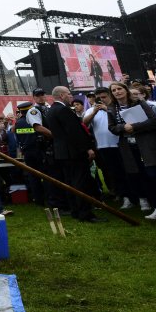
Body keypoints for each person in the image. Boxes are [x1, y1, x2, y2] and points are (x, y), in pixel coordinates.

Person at [107, 81, 156, 220]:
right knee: (143, 178)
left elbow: (154, 121)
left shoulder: (138, 103)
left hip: (147, 144)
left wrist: (134, 127)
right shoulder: (112, 108)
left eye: (119, 88)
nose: (117, 92)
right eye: (114, 90)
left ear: (125, 90)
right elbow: (112, 128)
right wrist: (123, 128)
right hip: (129, 147)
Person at [47, 86, 104, 222]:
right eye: (69, 94)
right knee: (80, 183)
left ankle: (75, 211)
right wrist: (87, 148)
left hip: (62, 153)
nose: (71, 96)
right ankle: (85, 214)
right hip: (74, 152)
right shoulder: (63, 110)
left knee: (70, 183)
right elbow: (75, 132)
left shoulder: (52, 110)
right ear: (61, 95)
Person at [84, 87, 133, 208]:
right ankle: (124, 196)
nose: (101, 100)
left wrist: (108, 110)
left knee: (129, 170)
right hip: (103, 146)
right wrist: (94, 112)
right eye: (99, 98)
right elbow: (84, 123)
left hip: (121, 143)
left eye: (104, 97)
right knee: (114, 173)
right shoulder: (91, 110)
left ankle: (138, 195)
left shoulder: (115, 108)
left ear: (110, 96)